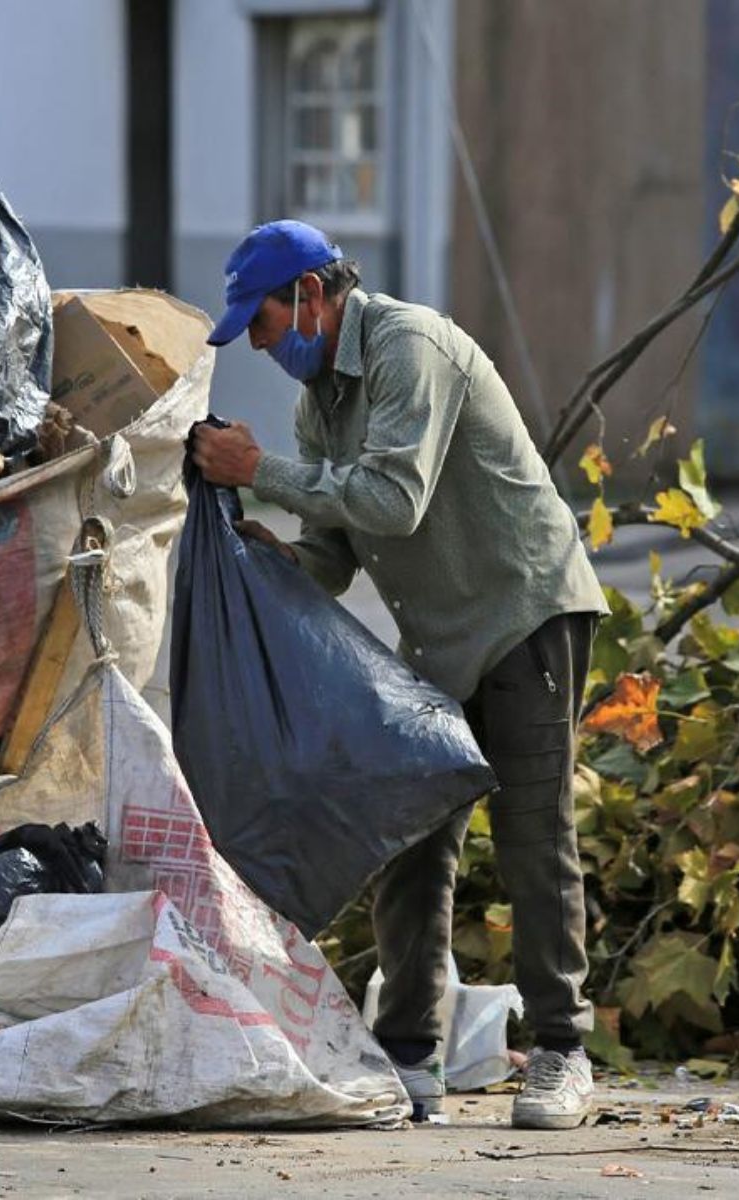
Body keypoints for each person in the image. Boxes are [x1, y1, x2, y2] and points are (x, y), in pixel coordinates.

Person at [190, 220, 608, 1130]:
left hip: (525, 613)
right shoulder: (320, 406)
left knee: (536, 838)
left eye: (260, 323)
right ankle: (411, 1058)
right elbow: (334, 556)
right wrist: (262, 555)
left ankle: (563, 1055)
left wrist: (260, 469)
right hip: (438, 641)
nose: (260, 345)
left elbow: (395, 501)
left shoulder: (406, 346)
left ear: (310, 295)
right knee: (411, 833)